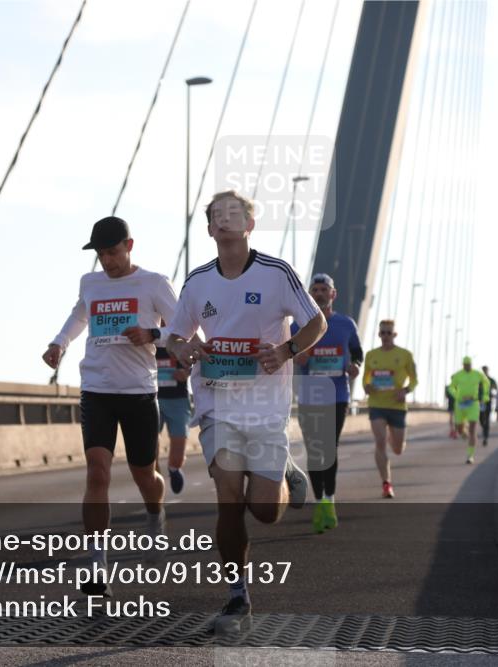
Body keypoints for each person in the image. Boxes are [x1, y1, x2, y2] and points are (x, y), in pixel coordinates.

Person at [166, 190, 326, 635]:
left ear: (249, 225)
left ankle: (288, 469)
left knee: (265, 511)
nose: (224, 220)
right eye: (216, 215)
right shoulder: (197, 282)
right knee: (229, 497)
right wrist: (186, 348)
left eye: (233, 214)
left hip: (266, 407)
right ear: (210, 227)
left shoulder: (277, 274)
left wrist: (287, 348)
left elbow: (317, 322)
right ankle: (238, 595)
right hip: (218, 405)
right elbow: (175, 339)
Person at [42, 216, 176, 597]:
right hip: (97, 390)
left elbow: (186, 328)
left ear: (129, 246)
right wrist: (59, 343)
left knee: (144, 478)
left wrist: (152, 334)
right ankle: (97, 565)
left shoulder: (153, 283)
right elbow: (79, 314)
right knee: (97, 474)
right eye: (101, 255)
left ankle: (155, 512)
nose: (107, 261)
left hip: (138, 393)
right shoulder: (91, 282)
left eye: (113, 252)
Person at [291, 273, 363, 533]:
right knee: (314, 450)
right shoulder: (298, 325)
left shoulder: (346, 324)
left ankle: (328, 501)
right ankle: (320, 497)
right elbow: (288, 351)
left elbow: (357, 352)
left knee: (328, 448)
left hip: (337, 396)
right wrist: (296, 357)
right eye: (315, 289)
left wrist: (355, 365)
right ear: (310, 294)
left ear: (333, 294)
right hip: (309, 397)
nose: (319, 293)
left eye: (324, 289)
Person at [363, 320, 418, 498]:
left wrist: (406, 390)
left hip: (397, 406)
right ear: (379, 335)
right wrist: (367, 386)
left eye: (389, 333)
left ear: (394, 335)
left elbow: (414, 380)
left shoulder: (405, 355)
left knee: (398, 449)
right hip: (377, 405)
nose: (385, 336)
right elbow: (366, 378)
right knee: (379, 442)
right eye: (383, 333)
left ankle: (392, 438)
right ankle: (386, 483)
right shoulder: (371, 355)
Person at [156, 343, 192, 493]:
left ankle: (174, 468)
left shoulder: (180, 335)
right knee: (150, 447)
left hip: (177, 400)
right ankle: (155, 483)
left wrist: (186, 372)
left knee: (178, 453)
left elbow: (198, 361)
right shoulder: (146, 333)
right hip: (151, 398)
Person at [448, 357, 491, 464]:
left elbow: (487, 383)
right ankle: (463, 432)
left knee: (473, 429)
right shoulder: (458, 375)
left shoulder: (477, 374)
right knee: (459, 429)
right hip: (460, 404)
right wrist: (457, 395)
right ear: (463, 365)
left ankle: (470, 456)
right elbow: (451, 387)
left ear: (471, 364)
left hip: (473, 403)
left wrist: (484, 395)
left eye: (469, 364)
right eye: (465, 365)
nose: (467, 366)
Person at [479, 365, 498, 447]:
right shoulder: (479, 380)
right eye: (483, 370)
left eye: (486, 370)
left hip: (488, 401)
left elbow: (496, 388)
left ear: (488, 371)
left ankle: (485, 437)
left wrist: (492, 391)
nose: (485, 372)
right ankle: (484, 429)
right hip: (480, 401)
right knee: (481, 419)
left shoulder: (491, 380)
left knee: (486, 419)